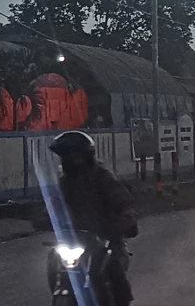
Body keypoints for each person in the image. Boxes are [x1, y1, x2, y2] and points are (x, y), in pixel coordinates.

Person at [50, 131, 138, 306]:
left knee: (113, 271)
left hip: (106, 241)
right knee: (53, 262)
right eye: (66, 156)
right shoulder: (65, 182)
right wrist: (43, 218)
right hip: (75, 241)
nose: (70, 160)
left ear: (85, 156)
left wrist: (125, 220)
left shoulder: (102, 177)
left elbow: (123, 202)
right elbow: (53, 206)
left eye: (74, 155)